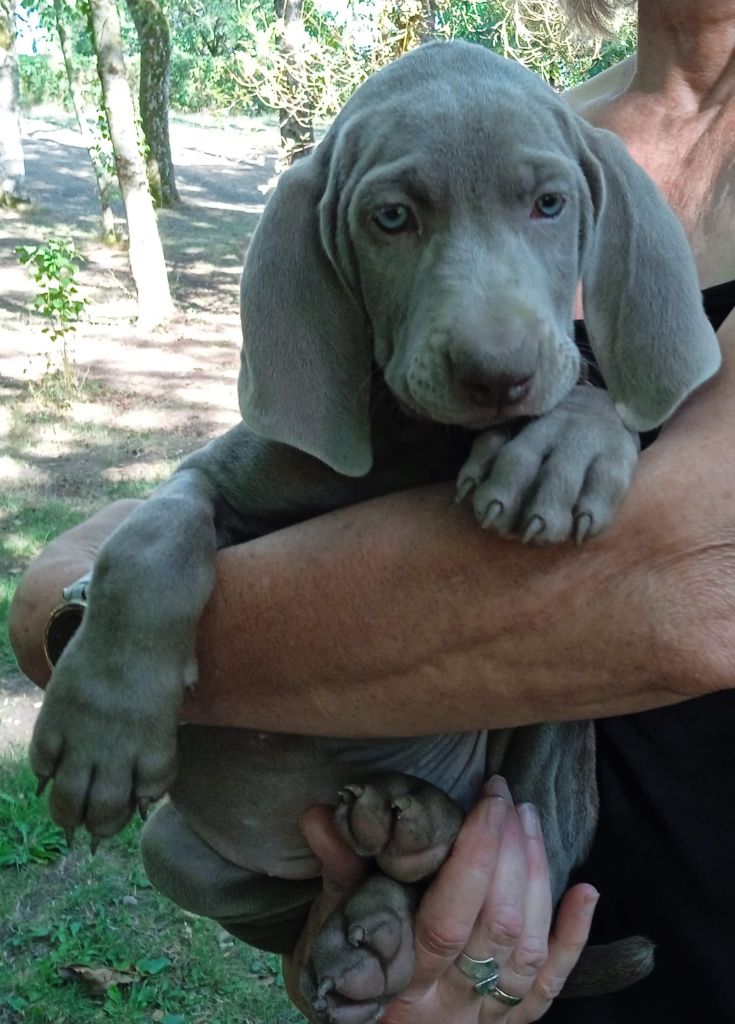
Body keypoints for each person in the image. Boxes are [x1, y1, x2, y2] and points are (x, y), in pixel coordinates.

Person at [9, 0, 735, 1019]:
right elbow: (59, 604)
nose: (490, 339)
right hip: (440, 918)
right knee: (186, 856)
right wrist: (118, 613)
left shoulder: (566, 163)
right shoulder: (521, 126)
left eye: (541, 209)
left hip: (656, 881)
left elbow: (696, 583)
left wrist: (599, 414)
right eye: (394, 218)